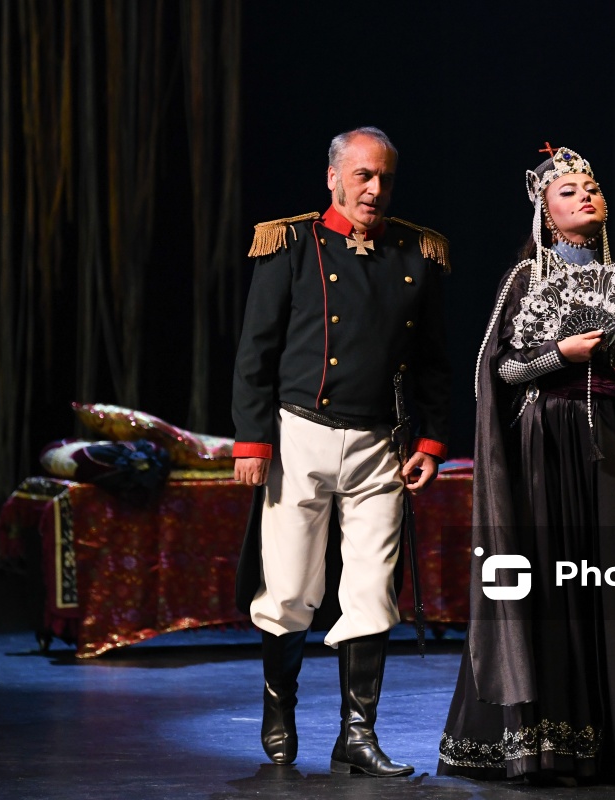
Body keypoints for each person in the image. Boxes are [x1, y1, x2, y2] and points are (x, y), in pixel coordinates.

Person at [437, 145, 615, 785]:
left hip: (614, 441)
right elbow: (502, 368)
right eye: (568, 190)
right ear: (545, 212)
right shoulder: (526, 279)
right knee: (549, 584)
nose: (585, 196)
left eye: (592, 187)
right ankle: (545, 745)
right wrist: (560, 353)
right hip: (546, 443)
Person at [231, 126, 451, 777]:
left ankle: (357, 734)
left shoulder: (416, 251)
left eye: (384, 178)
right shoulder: (292, 244)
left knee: (371, 590)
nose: (375, 189)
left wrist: (431, 440)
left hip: (380, 442)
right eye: (363, 175)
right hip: (298, 435)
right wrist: (251, 440)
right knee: (289, 587)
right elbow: (255, 352)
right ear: (333, 177)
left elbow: (433, 361)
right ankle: (279, 710)